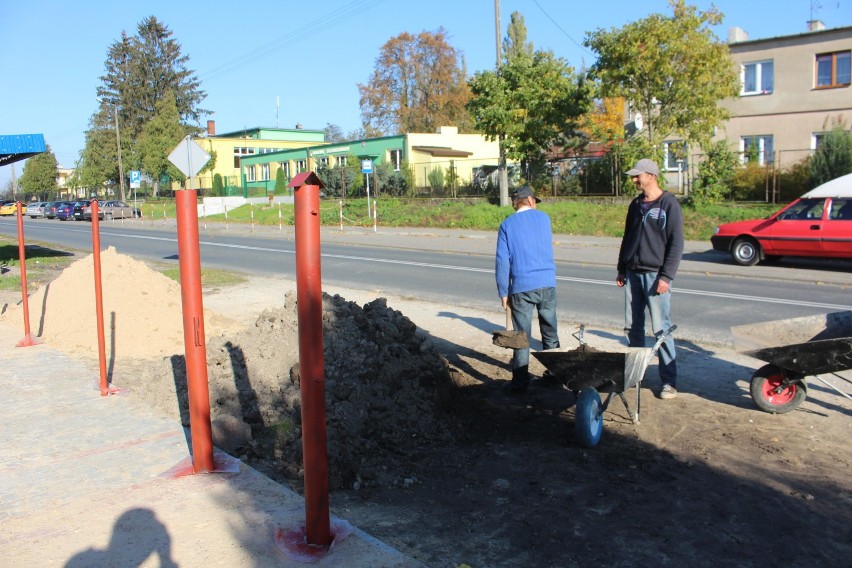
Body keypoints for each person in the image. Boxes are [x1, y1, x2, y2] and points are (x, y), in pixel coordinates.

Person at [616, 158, 684, 399]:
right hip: (633, 273)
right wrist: (622, 268)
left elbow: (676, 243)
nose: (634, 180)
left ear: (652, 175)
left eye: (638, 176)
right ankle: (635, 375)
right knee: (633, 329)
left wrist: (666, 276)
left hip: (656, 276)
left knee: (660, 328)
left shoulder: (669, 204)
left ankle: (669, 382)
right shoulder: (635, 205)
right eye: (634, 176)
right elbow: (627, 237)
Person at [495, 185, 560, 393]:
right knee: (550, 331)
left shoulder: (507, 225)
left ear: (516, 203)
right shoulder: (544, 219)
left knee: (522, 337)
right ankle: (555, 375)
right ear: (531, 201)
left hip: (521, 287)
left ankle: (521, 382)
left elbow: (502, 261)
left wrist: (503, 292)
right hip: (547, 283)